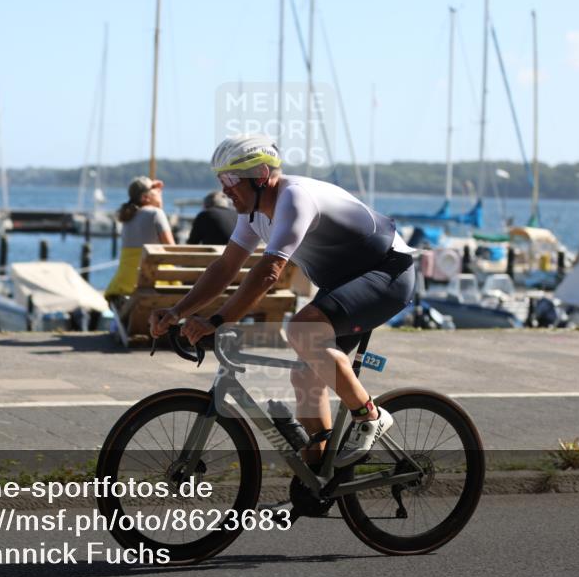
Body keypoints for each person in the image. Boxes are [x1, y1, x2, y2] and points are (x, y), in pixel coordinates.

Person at [149, 134, 416, 467]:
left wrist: (217, 321)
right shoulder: (253, 214)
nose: (224, 189)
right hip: (344, 283)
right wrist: (177, 311)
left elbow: (268, 272)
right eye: (221, 180)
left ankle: (369, 415)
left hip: (386, 273)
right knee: (305, 375)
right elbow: (225, 267)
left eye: (231, 180)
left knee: (302, 330)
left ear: (261, 175)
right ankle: (322, 469)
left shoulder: (294, 198)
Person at [104, 176, 175, 300]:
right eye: (155, 189)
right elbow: (173, 251)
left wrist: (154, 190)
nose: (159, 192)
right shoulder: (156, 213)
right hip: (154, 282)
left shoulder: (127, 217)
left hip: (124, 284)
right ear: (145, 197)